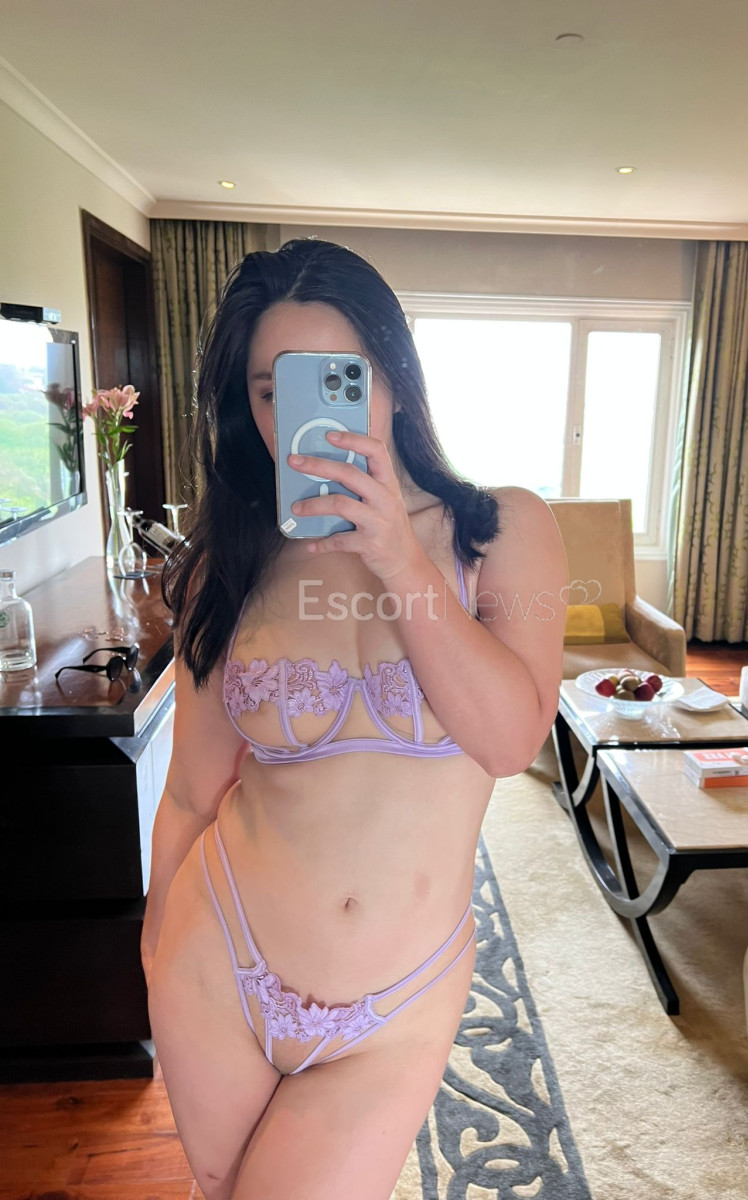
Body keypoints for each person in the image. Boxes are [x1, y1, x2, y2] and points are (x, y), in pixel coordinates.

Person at [142, 237, 568, 1200]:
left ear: (396, 380)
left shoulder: (500, 531)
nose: (298, 414)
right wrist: (155, 943)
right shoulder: (232, 563)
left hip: (398, 1002)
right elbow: (193, 792)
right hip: (218, 960)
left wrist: (397, 557)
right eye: (269, 390)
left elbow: (510, 740)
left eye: (338, 378)